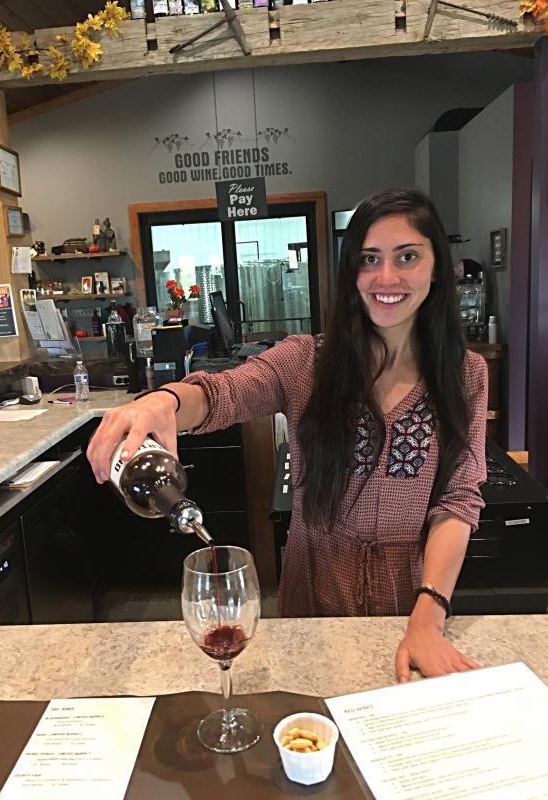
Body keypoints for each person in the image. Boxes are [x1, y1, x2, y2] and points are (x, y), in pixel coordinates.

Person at [87, 188, 487, 683]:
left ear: (435, 268)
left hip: (410, 602)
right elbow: (222, 393)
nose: (387, 278)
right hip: (313, 592)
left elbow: (458, 498)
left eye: (407, 256)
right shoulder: (305, 362)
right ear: (350, 273)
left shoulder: (465, 374)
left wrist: (429, 617)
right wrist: (164, 401)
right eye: (369, 259)